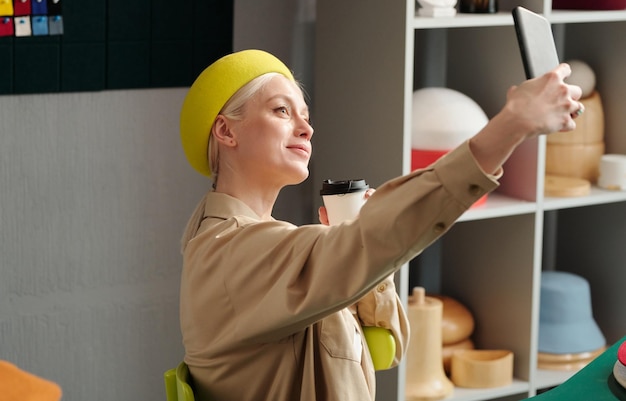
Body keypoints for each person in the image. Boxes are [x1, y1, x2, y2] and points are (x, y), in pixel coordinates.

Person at [178, 49, 583, 401]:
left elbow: (386, 348)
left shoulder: (273, 247)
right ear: (226, 130)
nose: (306, 127)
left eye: (305, 114)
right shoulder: (230, 254)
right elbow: (374, 242)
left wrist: (355, 245)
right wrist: (512, 124)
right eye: (282, 110)